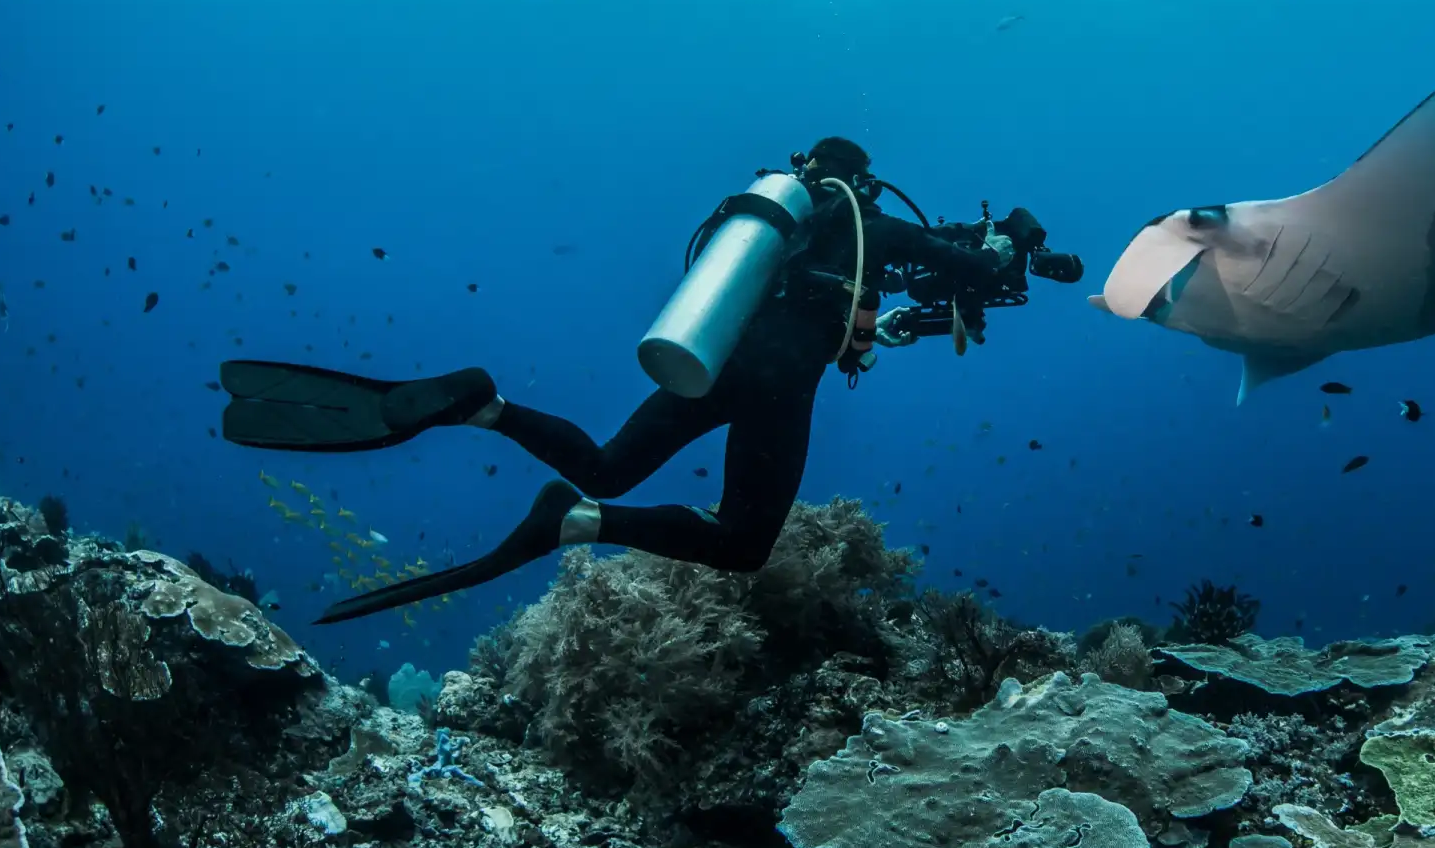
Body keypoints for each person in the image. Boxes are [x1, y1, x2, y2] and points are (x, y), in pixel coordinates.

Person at [219, 138, 1043, 623]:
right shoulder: (869, 224)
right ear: (862, 183)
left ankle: (485, 407)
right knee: (743, 542)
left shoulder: (784, 236)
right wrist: (1013, 240)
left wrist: (881, 318)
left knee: (608, 462)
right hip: (779, 388)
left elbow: (850, 317)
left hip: (716, 362)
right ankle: (577, 524)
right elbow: (975, 267)